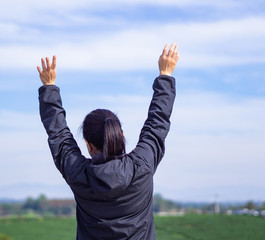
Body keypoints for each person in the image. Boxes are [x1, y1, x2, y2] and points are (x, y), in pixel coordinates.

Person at [37, 44, 179, 240]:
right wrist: (165, 75)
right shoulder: (141, 167)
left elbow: (58, 135)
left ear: (87, 144)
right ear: (120, 135)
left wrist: (49, 87)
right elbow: (157, 124)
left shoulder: (79, 174)